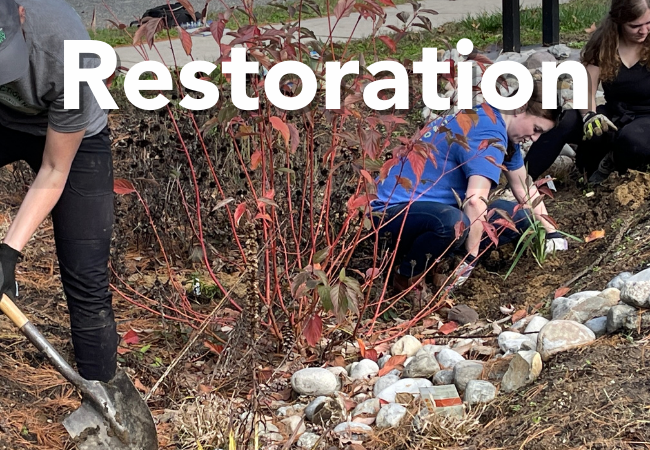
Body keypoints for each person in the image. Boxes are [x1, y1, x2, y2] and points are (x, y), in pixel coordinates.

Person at [0, 0, 117, 382]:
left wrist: (8, 253)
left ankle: (101, 394)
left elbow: (54, 169)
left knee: (87, 278)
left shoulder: (68, 50)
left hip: (73, 139)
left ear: (20, 13)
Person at [371, 80, 568, 292]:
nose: (535, 139)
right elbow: (475, 201)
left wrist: (552, 233)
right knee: (452, 223)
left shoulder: (494, 120)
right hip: (388, 213)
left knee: (518, 217)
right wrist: (469, 259)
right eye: (536, 129)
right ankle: (407, 277)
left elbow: (523, 186)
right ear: (520, 108)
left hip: (426, 211)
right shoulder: (488, 133)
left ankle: (441, 263)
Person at [524, 0, 650, 184]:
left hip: (645, 120)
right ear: (619, 22)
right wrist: (589, 115)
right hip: (614, 114)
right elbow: (587, 91)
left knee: (632, 140)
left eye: (648, 23)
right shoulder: (604, 43)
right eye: (635, 26)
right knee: (566, 120)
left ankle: (613, 163)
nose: (644, 31)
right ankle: (522, 180)